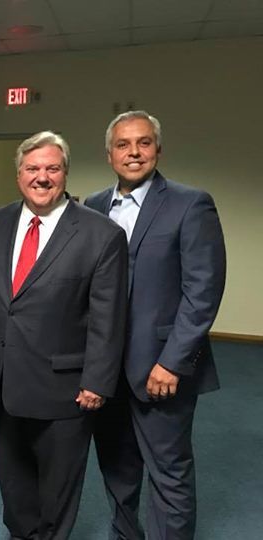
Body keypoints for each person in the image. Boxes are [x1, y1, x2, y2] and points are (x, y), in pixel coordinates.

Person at [0, 131, 128, 539]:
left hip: (65, 389)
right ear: (18, 175)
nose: (41, 177)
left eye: (52, 168)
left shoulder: (101, 234)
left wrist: (97, 380)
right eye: (32, 168)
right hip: (4, 383)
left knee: (57, 494)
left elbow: (109, 317)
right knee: (14, 488)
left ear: (65, 174)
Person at [88, 110, 226, 540]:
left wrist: (172, 362)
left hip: (162, 370)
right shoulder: (92, 207)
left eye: (143, 142)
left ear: (158, 150)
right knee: (117, 468)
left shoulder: (191, 203)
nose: (134, 152)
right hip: (108, 371)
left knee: (169, 472)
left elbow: (203, 291)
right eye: (123, 144)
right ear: (109, 154)